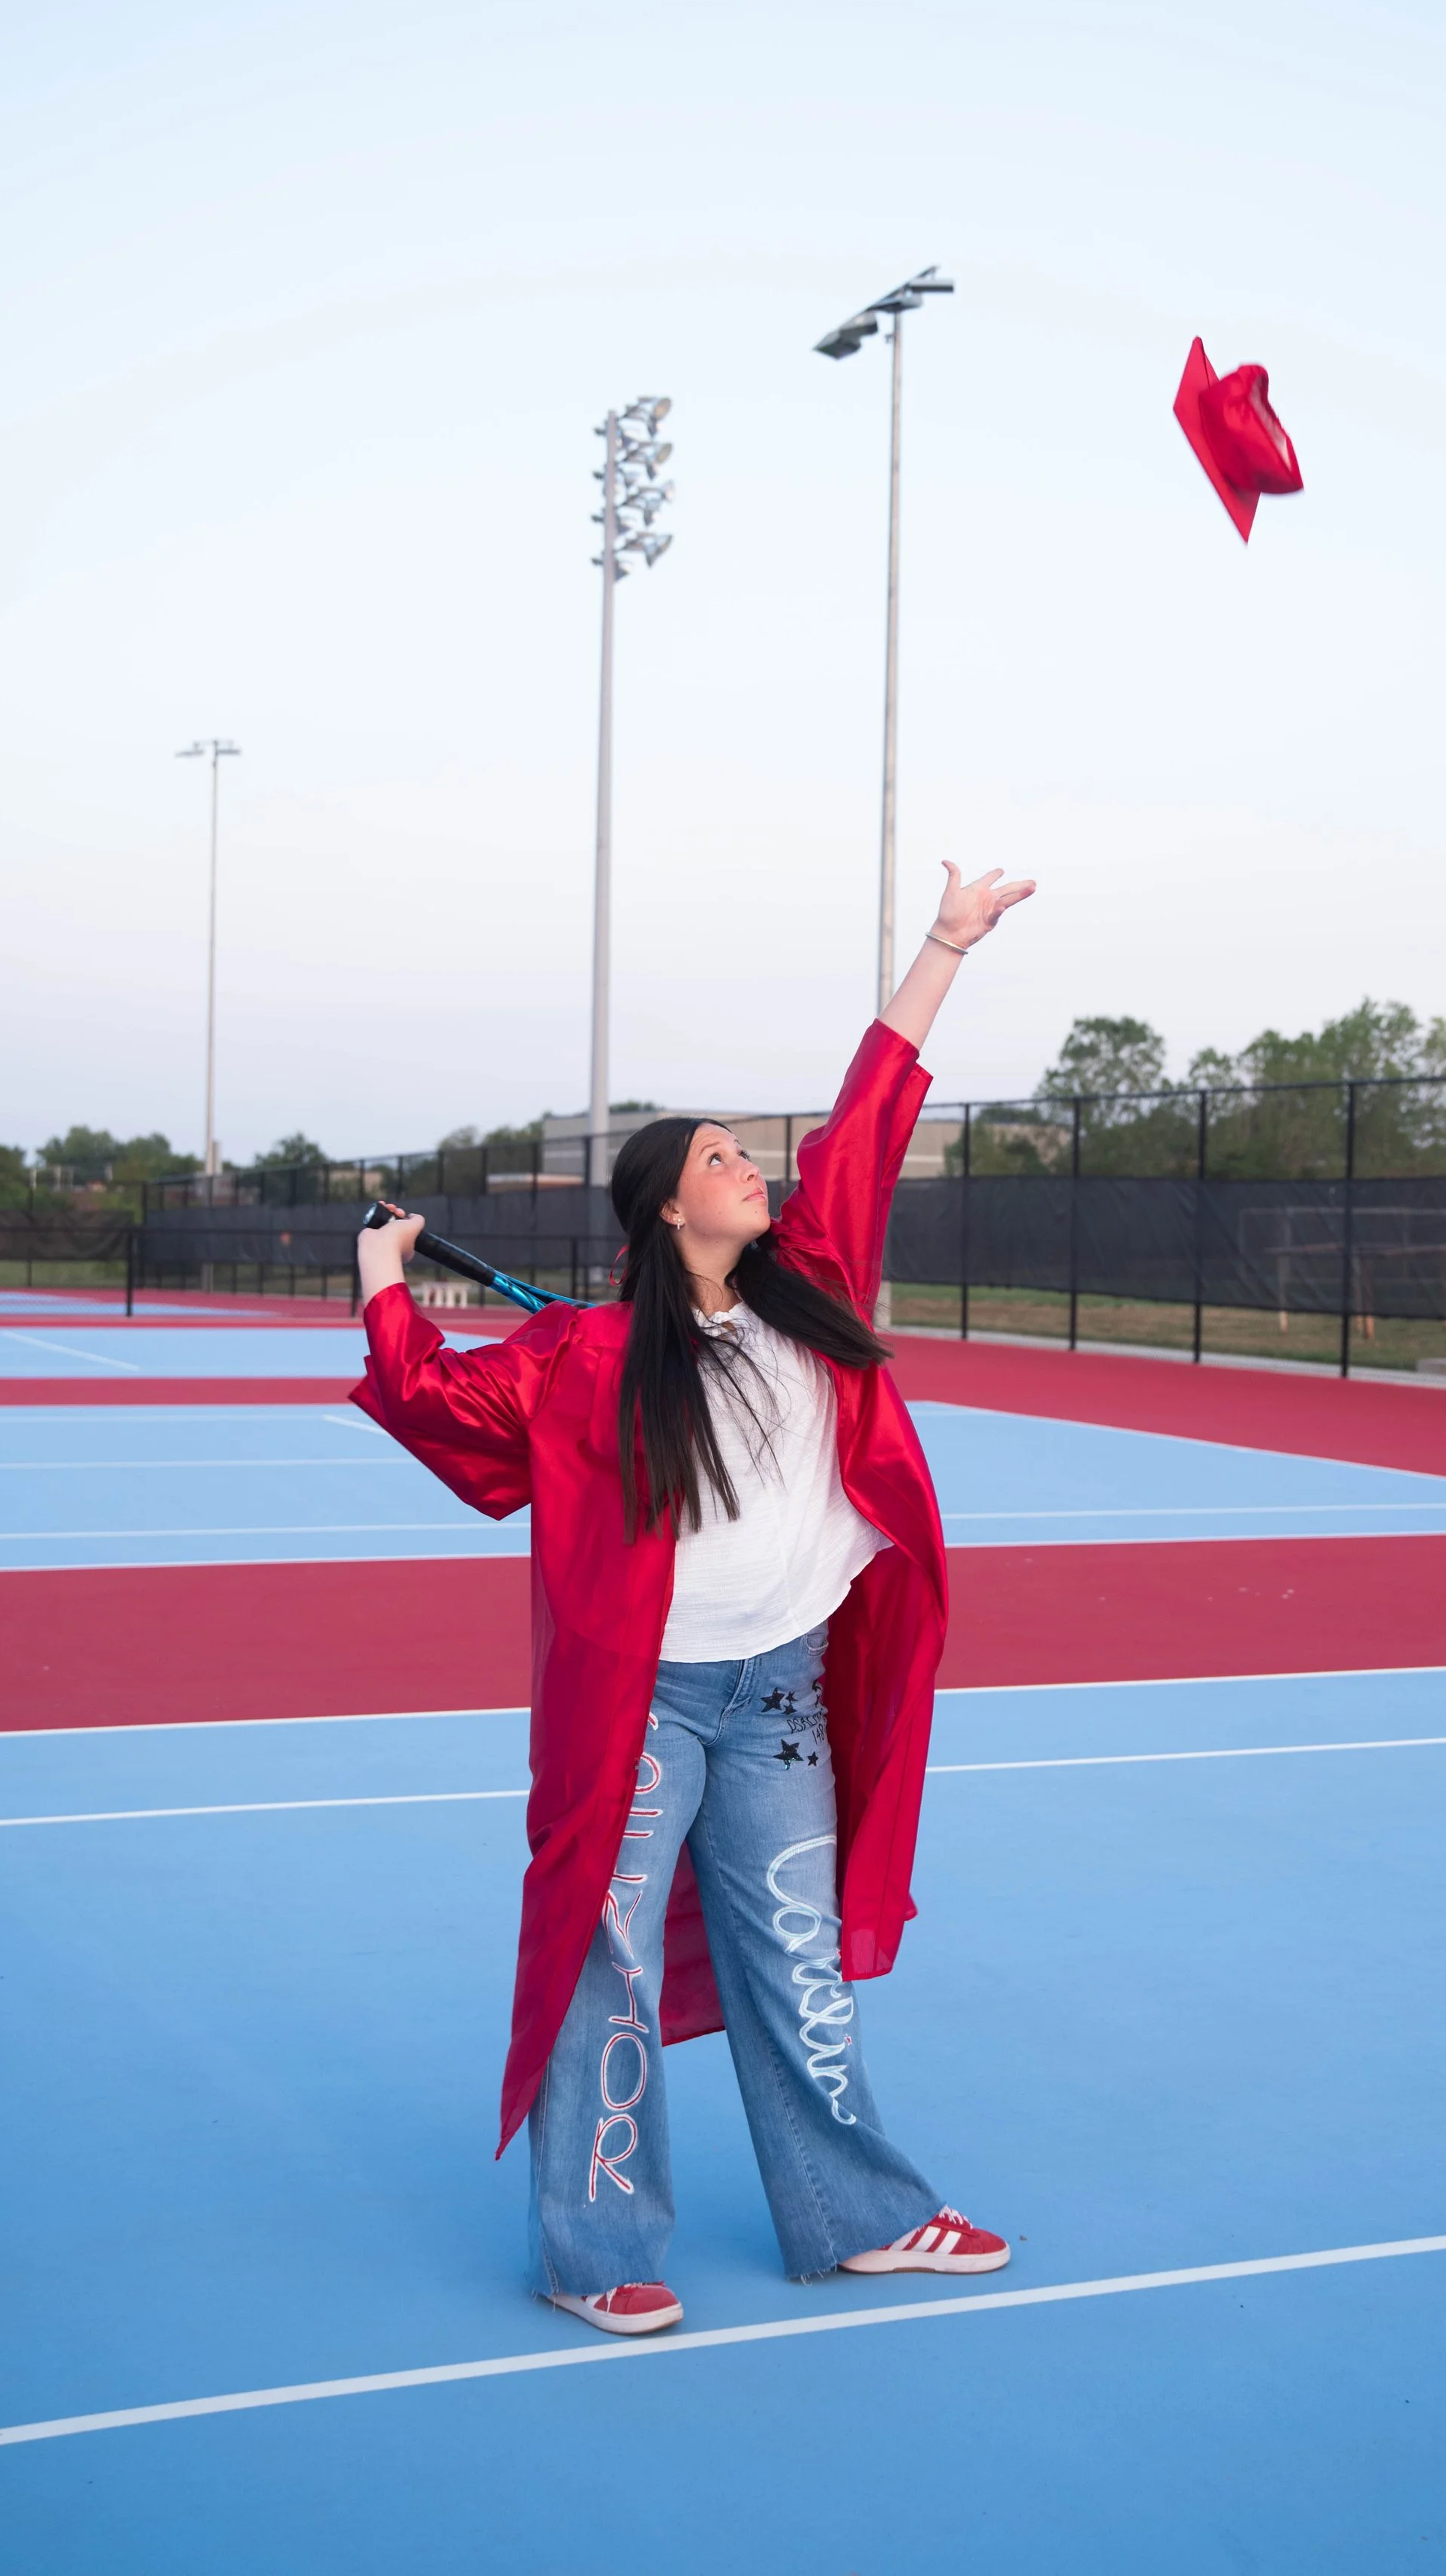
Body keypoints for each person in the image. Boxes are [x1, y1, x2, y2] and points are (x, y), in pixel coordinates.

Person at [352, 860, 1035, 2337]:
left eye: (747, 1153)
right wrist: (382, 1284)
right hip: (641, 1704)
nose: (752, 1168)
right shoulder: (582, 1355)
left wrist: (942, 946)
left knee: (797, 1958)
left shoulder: (814, 1278)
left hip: (779, 1694)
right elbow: (428, 1408)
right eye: (722, 1157)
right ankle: (598, 2252)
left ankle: (861, 2216)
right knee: (603, 1967)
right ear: (666, 1207)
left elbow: (872, 1111)